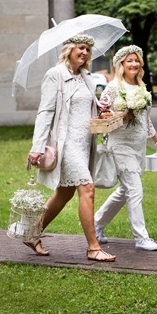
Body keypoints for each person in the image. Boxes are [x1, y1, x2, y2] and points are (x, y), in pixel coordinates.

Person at [25, 33, 116, 262]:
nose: (84, 53)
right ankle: (93, 248)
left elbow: (85, 108)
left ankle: (31, 233)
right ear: (69, 50)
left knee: (64, 193)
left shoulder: (85, 76)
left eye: (87, 49)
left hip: (85, 143)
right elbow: (45, 112)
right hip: (66, 146)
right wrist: (37, 147)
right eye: (80, 48)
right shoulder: (55, 75)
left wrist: (100, 109)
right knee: (88, 188)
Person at [94, 45, 157, 251]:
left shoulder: (142, 87)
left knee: (125, 190)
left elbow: (146, 120)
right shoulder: (113, 87)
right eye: (129, 61)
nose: (133, 64)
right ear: (121, 64)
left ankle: (96, 224)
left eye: (137, 60)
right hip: (120, 144)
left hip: (138, 145)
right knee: (134, 190)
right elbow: (102, 115)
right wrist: (124, 114)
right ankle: (141, 238)